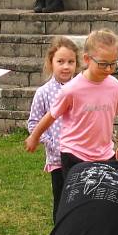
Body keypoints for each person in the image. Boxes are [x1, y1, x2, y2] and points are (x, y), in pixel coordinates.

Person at [25, 29, 118, 180]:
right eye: (103, 64)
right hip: (75, 154)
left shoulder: (116, 87)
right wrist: (34, 137)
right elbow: (51, 115)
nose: (109, 69)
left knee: (103, 200)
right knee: (76, 200)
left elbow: (107, 119)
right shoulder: (71, 89)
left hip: (105, 154)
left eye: (113, 63)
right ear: (87, 59)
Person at [26, 36, 79, 221]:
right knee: (61, 203)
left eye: (70, 62)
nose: (66, 66)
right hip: (58, 159)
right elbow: (33, 123)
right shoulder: (44, 93)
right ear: (51, 63)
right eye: (60, 61)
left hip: (81, 156)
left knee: (79, 202)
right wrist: (51, 143)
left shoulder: (82, 87)